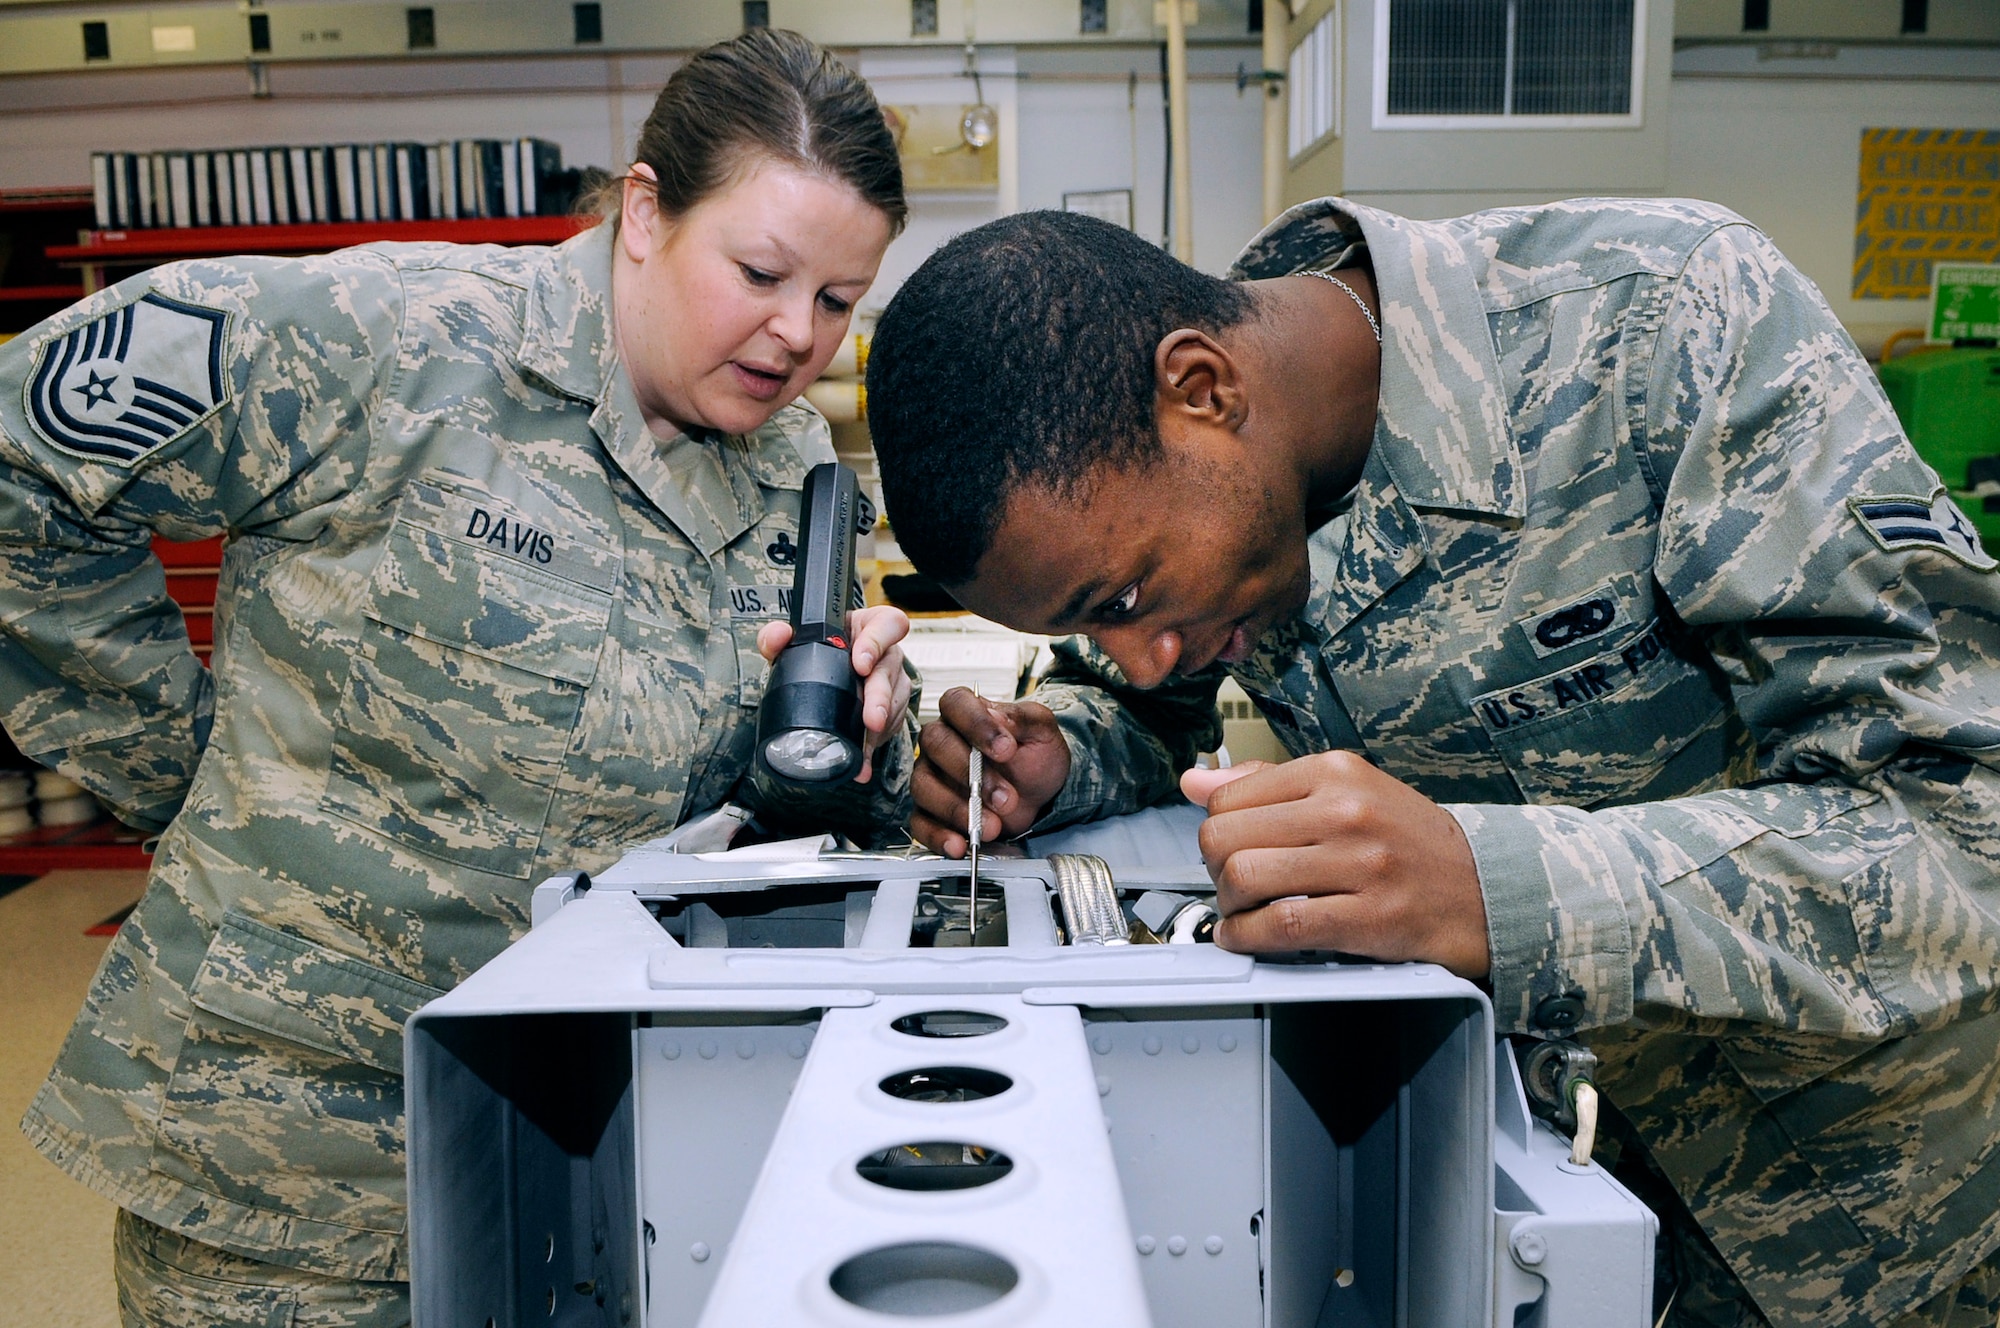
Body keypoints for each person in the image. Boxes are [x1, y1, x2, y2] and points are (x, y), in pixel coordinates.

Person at [863, 200, 2000, 1327]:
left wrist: (1487, 887)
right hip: (1553, 1198)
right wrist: (1061, 751)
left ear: (1201, 389)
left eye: (1118, 599)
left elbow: (1963, 821)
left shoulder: (1664, 323)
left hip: (1895, 1216)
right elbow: (1143, 699)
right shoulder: (1214, 488)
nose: (1136, 644)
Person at [3, 29, 914, 1327]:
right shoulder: (382, 342)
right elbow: (18, 459)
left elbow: (791, 788)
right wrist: (173, 767)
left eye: (838, 300)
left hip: (597, 1148)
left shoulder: (797, 476)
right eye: (762, 272)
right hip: (298, 1174)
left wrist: (869, 717)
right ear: (646, 213)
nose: (796, 335)